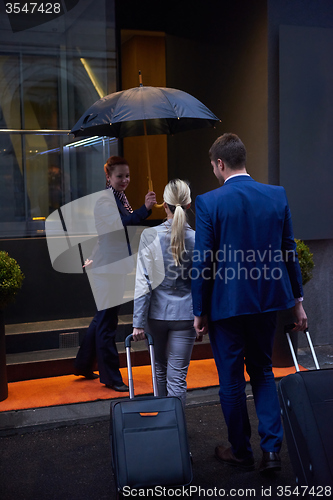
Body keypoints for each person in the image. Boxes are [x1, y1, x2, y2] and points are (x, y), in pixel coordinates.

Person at [191, 133, 307, 473]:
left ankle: (240, 451)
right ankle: (272, 450)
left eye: (213, 166)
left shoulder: (209, 202)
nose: (213, 170)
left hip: (226, 307)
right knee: (263, 372)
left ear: (221, 164)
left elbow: (203, 262)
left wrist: (199, 311)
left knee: (230, 380)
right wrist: (298, 301)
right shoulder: (276, 195)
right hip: (267, 302)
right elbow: (290, 252)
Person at [74, 156, 156, 391]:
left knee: (102, 318)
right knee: (107, 323)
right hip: (109, 268)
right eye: (119, 176)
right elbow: (118, 227)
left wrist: (94, 253)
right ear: (108, 177)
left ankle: (82, 365)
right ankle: (111, 377)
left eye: (127, 175)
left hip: (110, 264)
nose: (125, 180)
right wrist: (145, 209)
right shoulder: (106, 199)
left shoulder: (117, 198)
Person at [132, 179, 196, 408]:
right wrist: (203, 316)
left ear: (163, 205)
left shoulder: (150, 236)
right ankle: (177, 431)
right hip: (186, 315)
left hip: (156, 314)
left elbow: (143, 282)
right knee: (177, 377)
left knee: (159, 369)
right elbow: (204, 282)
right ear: (188, 205)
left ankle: (164, 425)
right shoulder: (198, 239)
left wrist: (137, 323)